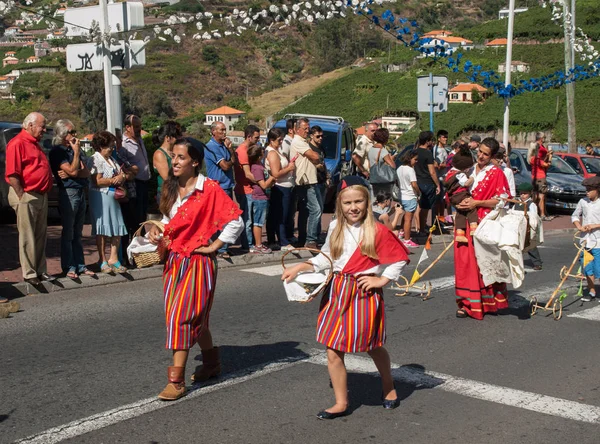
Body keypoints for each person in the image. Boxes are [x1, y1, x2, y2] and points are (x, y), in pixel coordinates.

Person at [281, 175, 409, 419]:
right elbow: (325, 259)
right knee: (333, 348)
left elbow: (399, 258)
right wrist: (300, 267)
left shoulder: (378, 230)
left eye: (358, 201)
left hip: (363, 292)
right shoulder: (336, 228)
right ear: (340, 204)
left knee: (372, 345)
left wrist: (381, 279)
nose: (353, 207)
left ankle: (388, 385)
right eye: (348, 203)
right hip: (337, 290)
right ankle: (341, 402)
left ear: (367, 202)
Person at [148, 138, 243, 401]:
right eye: (173, 157)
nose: (175, 162)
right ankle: (212, 363)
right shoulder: (171, 188)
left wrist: (215, 246)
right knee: (195, 319)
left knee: (181, 318)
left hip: (198, 262)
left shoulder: (209, 189)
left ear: (194, 162)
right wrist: (157, 230)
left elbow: (236, 221)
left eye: (180, 157)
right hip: (174, 261)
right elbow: (170, 222)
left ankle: (176, 381)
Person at [454, 137, 511, 319]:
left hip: (483, 223)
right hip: (464, 220)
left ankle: (483, 302)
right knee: (464, 263)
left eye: (485, 154)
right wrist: (459, 202)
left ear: (493, 156)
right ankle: (466, 302)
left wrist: (478, 202)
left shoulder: (497, 173)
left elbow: (503, 200)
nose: (481, 156)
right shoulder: (469, 169)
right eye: (479, 151)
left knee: (480, 264)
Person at [5, 112, 56, 286]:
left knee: (41, 235)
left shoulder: (35, 144)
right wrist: (22, 196)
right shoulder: (17, 143)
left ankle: (40, 270)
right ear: (30, 125)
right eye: (42, 126)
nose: (44, 129)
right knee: (27, 236)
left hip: (40, 195)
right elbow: (12, 173)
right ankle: (29, 273)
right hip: (27, 194)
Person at [49, 119, 95, 279]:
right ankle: (69, 266)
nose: (75, 135)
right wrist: (75, 159)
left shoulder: (75, 149)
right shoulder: (58, 151)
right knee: (68, 231)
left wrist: (73, 171)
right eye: (71, 132)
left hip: (80, 191)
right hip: (68, 192)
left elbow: (85, 172)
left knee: (78, 232)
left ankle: (80, 265)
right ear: (62, 134)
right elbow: (74, 171)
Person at [88, 131, 129, 274]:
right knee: (102, 228)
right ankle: (102, 259)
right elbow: (97, 180)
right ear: (100, 146)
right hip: (101, 197)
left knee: (117, 226)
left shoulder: (111, 159)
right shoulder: (95, 159)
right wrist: (113, 180)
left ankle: (114, 258)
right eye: (109, 146)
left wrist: (121, 177)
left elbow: (121, 174)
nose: (111, 149)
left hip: (113, 197)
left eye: (112, 146)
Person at [204, 121, 236, 258]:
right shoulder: (211, 147)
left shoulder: (224, 146)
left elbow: (234, 160)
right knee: (222, 218)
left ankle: (220, 247)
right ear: (213, 132)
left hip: (227, 186)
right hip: (218, 187)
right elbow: (226, 166)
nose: (224, 132)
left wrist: (230, 150)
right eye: (221, 130)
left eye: (225, 130)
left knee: (223, 218)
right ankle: (221, 249)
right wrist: (231, 159)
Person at [290, 118, 322, 248]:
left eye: (308, 128)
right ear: (297, 129)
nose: (307, 131)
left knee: (305, 212)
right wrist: (314, 155)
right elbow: (315, 156)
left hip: (310, 180)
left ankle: (303, 238)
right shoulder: (298, 142)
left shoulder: (304, 142)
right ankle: (311, 239)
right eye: (305, 129)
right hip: (305, 182)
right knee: (316, 210)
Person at [265, 128, 296, 252]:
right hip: (281, 187)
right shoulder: (272, 153)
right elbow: (276, 173)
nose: (281, 142)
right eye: (279, 140)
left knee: (275, 215)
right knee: (281, 215)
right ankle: (283, 241)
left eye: (282, 139)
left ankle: (273, 240)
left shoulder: (274, 151)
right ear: (271, 140)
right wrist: (289, 168)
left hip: (283, 186)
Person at [571, 176, 600, 302]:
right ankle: (592, 291)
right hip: (585, 241)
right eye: (586, 190)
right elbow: (575, 216)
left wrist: (595, 225)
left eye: (589, 189)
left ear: (597, 190)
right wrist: (579, 226)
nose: (587, 192)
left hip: (598, 241)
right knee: (587, 267)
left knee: (598, 268)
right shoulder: (583, 202)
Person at [234, 124, 261, 250]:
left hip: (246, 188)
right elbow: (248, 174)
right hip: (245, 189)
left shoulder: (244, 150)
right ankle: (248, 244)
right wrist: (262, 182)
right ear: (249, 137)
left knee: (249, 218)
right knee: (248, 219)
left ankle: (249, 243)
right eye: (256, 138)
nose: (258, 140)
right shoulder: (243, 151)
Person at [120, 114, 151, 226]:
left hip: (144, 183)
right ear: (128, 127)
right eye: (136, 126)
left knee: (143, 216)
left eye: (140, 126)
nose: (139, 129)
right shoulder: (123, 144)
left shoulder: (139, 139)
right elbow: (121, 164)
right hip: (134, 184)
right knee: (135, 218)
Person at [444, 146, 477, 243]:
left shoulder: (450, 172)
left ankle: (459, 233)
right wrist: (472, 178)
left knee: (460, 213)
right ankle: (473, 227)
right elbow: (465, 183)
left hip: (452, 197)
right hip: (461, 195)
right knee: (471, 209)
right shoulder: (460, 174)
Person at [247, 145, 276, 254]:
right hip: (259, 197)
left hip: (263, 197)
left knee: (260, 221)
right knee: (258, 221)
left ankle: (258, 243)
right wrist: (272, 178)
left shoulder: (259, 166)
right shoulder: (257, 168)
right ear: (259, 156)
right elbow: (263, 185)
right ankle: (258, 244)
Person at [414, 131, 441, 234]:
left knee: (417, 206)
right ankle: (421, 228)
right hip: (427, 182)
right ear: (428, 141)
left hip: (416, 181)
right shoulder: (427, 154)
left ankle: (418, 227)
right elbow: (432, 171)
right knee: (425, 208)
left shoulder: (415, 152)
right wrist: (437, 184)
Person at [514, 182, 543, 271]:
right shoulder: (516, 203)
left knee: (530, 246)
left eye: (525, 193)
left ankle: (537, 263)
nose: (523, 196)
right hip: (518, 227)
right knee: (516, 246)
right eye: (521, 193)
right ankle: (516, 263)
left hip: (527, 228)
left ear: (530, 194)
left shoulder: (531, 204)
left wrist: (531, 226)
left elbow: (534, 216)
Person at [152, 121, 182, 203]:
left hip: (175, 191)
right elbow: (167, 177)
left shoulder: (172, 152)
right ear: (168, 138)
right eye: (176, 136)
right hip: (166, 193)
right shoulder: (159, 154)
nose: (179, 138)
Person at [396, 149, 420, 247]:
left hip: (402, 194)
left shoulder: (399, 168)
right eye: (415, 159)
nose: (416, 161)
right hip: (410, 195)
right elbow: (414, 184)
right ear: (410, 159)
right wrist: (419, 193)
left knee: (405, 216)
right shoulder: (410, 170)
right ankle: (407, 240)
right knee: (408, 219)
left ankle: (402, 232)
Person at [309, 125, 328, 239]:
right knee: (315, 210)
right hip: (313, 181)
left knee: (320, 210)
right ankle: (311, 237)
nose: (320, 138)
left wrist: (327, 177)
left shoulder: (321, 148)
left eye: (321, 136)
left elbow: (324, 164)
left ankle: (317, 233)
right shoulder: (309, 149)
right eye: (318, 136)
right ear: (311, 136)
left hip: (322, 181)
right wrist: (318, 166)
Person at [367, 128, 397, 196]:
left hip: (373, 178)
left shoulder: (371, 149)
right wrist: (392, 158)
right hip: (383, 181)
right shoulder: (383, 151)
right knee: (384, 200)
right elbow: (393, 166)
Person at [529, 132, 552, 220]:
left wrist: (546, 156)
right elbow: (547, 165)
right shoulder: (538, 159)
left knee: (535, 195)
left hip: (534, 177)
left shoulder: (532, 159)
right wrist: (550, 157)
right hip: (541, 177)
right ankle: (542, 214)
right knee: (542, 196)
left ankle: (534, 212)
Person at [433, 130, 449, 220]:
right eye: (444, 137)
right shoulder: (436, 150)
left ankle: (441, 219)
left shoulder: (445, 149)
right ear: (439, 138)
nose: (446, 139)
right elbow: (436, 164)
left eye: (446, 137)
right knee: (438, 200)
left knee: (442, 200)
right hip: (438, 178)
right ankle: (436, 220)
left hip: (444, 177)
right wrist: (443, 165)